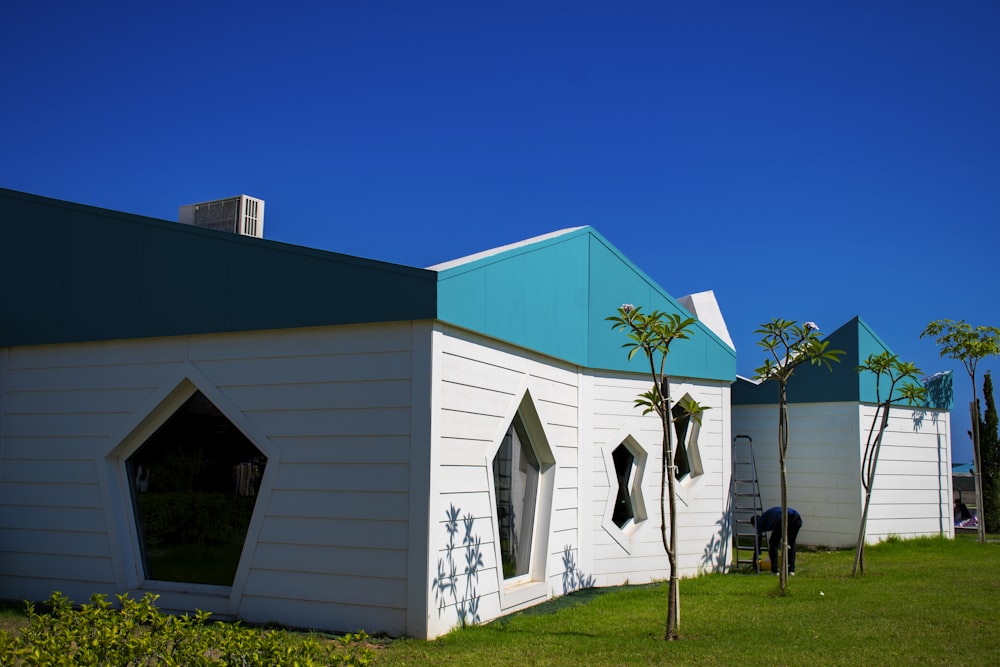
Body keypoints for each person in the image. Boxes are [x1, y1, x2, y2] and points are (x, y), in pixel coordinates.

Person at [753, 506, 803, 575]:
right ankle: (791, 570)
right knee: (791, 543)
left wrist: (755, 558)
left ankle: (774, 570)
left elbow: (758, 541)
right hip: (797, 518)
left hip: (783, 519)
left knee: (773, 543)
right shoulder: (767, 516)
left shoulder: (759, 521)